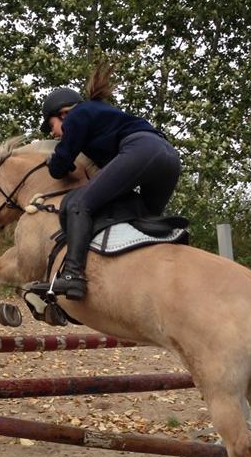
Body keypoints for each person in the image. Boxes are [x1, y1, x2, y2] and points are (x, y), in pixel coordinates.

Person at [35, 62, 181, 300]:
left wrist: (55, 160)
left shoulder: (77, 116)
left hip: (141, 149)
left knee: (78, 205)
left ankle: (73, 274)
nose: (53, 134)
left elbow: (58, 167)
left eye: (51, 126)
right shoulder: (101, 115)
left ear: (62, 114)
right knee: (144, 220)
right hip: (169, 158)